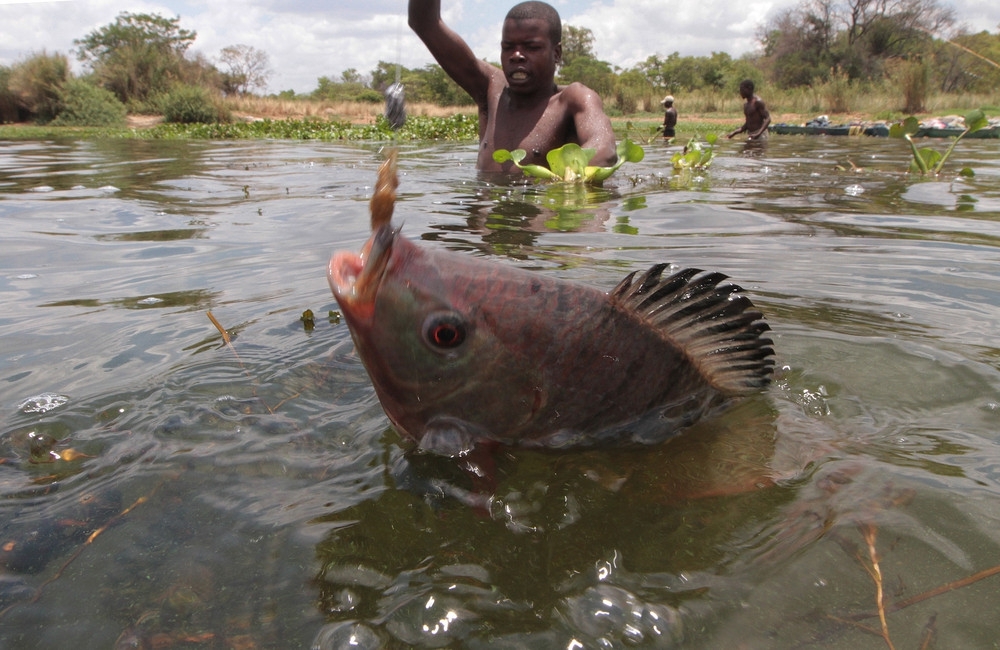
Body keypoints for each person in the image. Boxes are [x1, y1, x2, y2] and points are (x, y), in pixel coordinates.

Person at [409, 0, 618, 172]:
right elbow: (424, 23)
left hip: (544, 220)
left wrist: (563, 182)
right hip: (484, 218)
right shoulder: (490, 90)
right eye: (508, 47)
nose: (516, 56)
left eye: (531, 47)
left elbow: (604, 150)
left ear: (556, 54)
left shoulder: (573, 99)